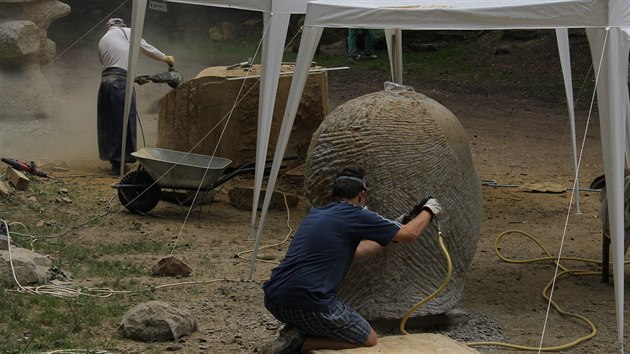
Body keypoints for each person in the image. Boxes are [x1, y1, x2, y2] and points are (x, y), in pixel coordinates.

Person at [261, 165, 442, 353]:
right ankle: (299, 343)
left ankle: (296, 330)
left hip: (275, 297)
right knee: (369, 339)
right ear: (361, 195)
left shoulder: (318, 214)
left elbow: (358, 251)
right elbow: (411, 234)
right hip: (308, 302)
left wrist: (390, 232)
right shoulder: (356, 214)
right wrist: (429, 209)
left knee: (319, 316)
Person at [97, 17, 175, 175]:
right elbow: (147, 48)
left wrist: (133, 76)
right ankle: (119, 164)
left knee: (108, 121)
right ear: (123, 25)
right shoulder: (128, 32)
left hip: (106, 83)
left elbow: (112, 65)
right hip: (119, 84)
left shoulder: (103, 39)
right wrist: (165, 58)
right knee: (123, 121)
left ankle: (112, 159)